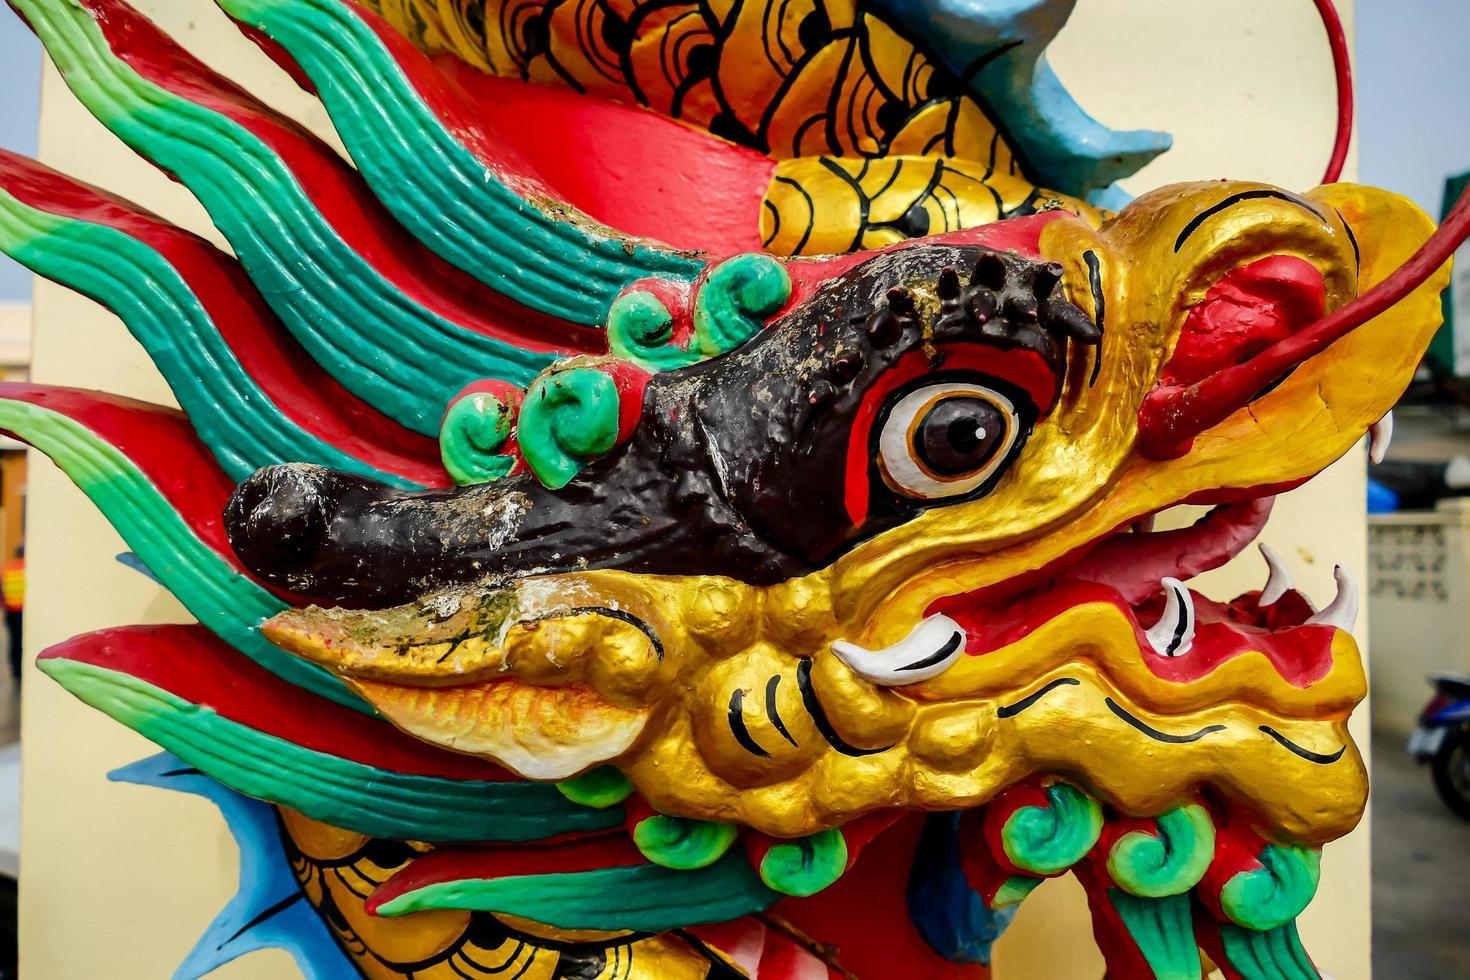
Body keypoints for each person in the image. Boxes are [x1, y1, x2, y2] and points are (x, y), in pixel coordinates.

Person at [2, 548, 22, 688]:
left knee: (14, 641)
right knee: (21, 642)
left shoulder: (7, 569)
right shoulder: (29, 568)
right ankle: (20, 670)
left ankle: (15, 672)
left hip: (11, 611)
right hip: (23, 611)